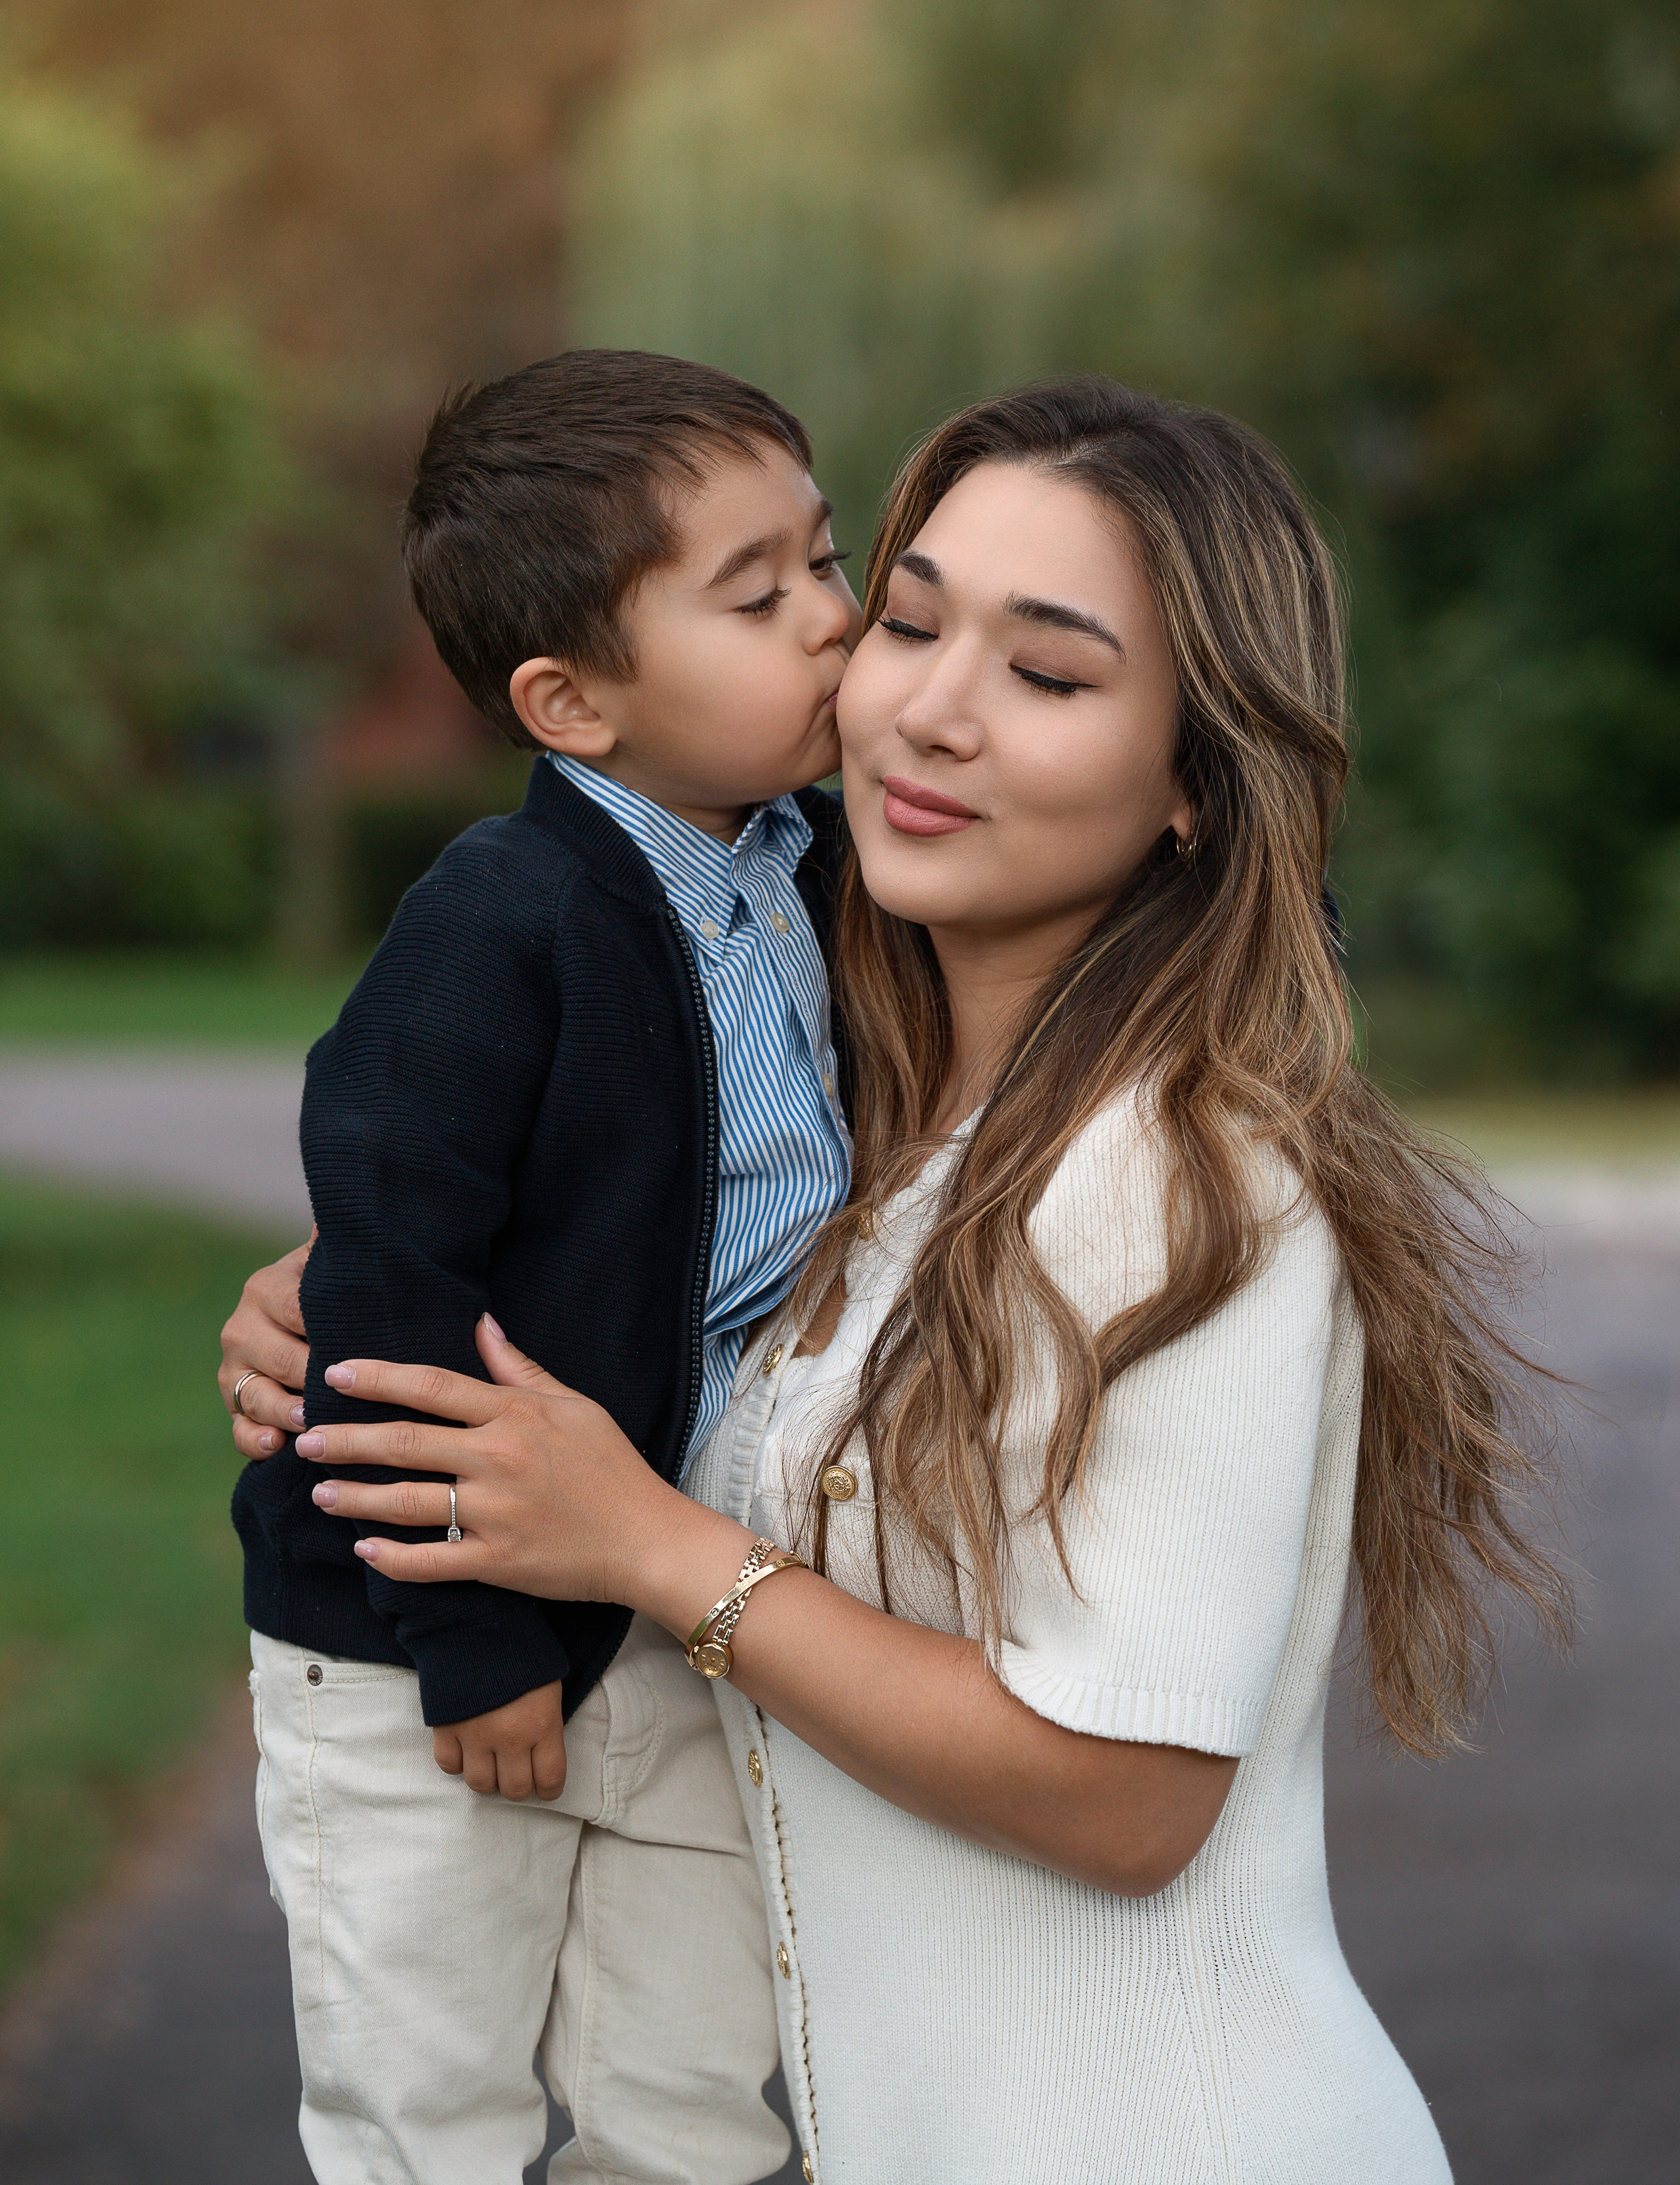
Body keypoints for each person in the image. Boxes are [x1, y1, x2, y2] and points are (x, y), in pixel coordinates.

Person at [228, 377, 1568, 2183]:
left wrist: (643, 1542)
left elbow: (1131, 1795)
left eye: (1052, 671)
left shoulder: (1177, 1175)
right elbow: (601, 1285)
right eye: (913, 617)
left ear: (1193, 781)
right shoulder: (864, 1120)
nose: (926, 706)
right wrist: (358, 1317)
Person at [230, 348, 862, 2185]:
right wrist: (475, 1647)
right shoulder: (498, 925)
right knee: (429, 2100)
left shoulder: (826, 878)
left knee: (696, 2096)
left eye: (828, 559)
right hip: (421, 1631)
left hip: (675, 1606)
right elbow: (392, 1295)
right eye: (759, 596)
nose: (834, 621)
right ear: (571, 702)